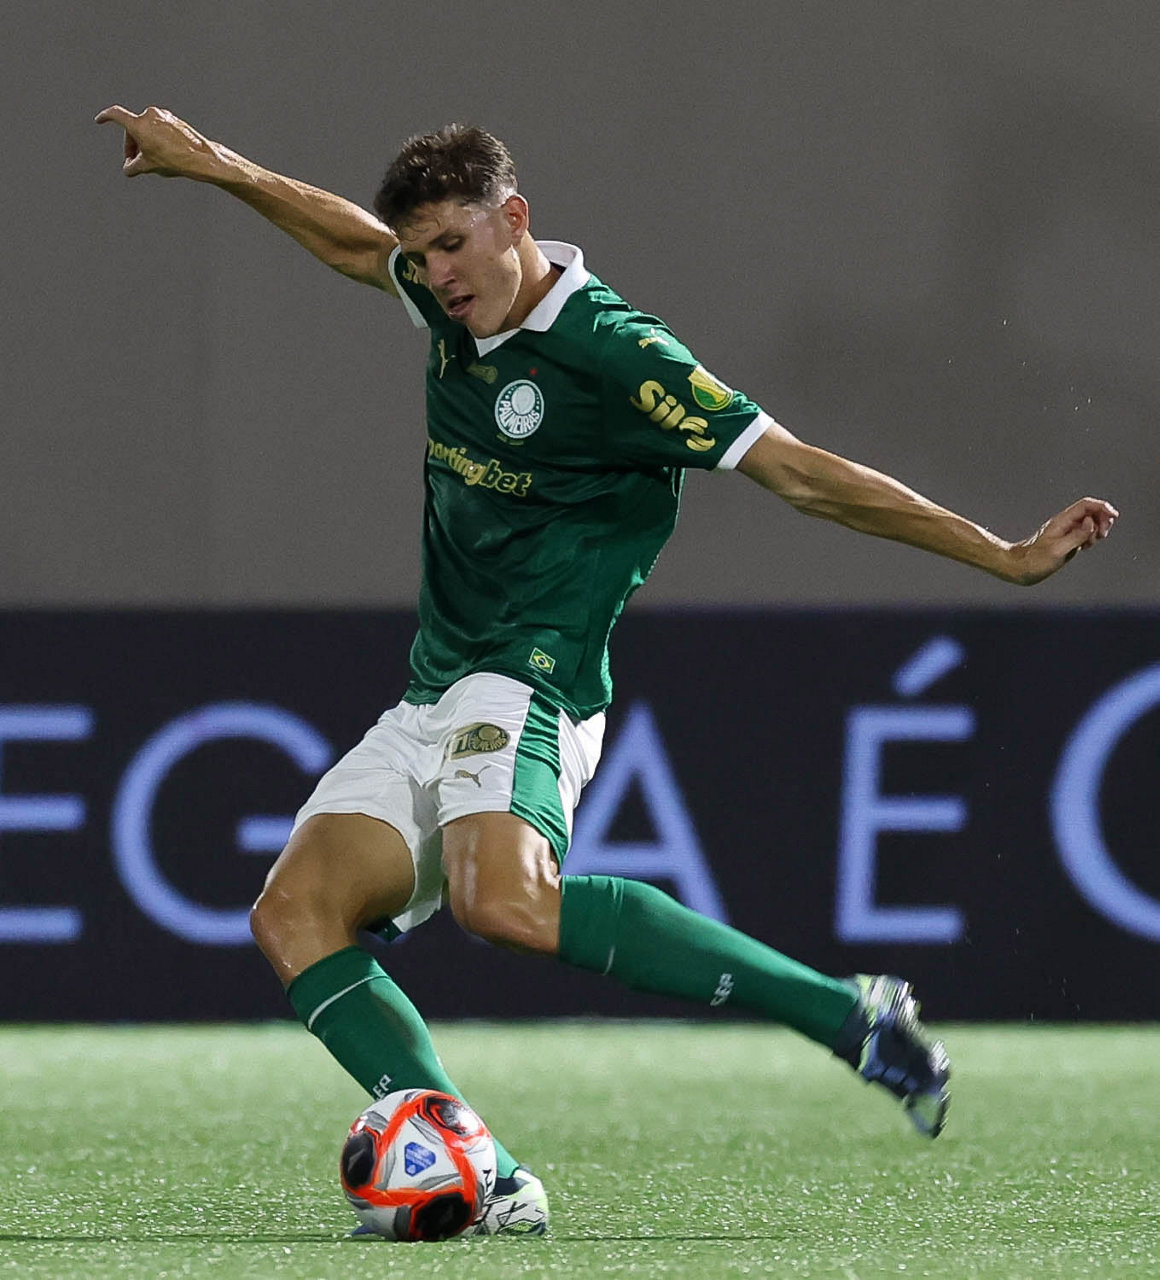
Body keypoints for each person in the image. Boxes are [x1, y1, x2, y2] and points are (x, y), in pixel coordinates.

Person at [96, 105, 1118, 1238]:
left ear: (515, 219)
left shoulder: (617, 354)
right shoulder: (447, 303)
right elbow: (348, 240)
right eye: (422, 255)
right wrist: (209, 162)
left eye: (452, 245)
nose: (435, 274)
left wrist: (999, 552)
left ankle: (844, 1013)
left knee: (503, 902)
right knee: (294, 912)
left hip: (531, 680)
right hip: (433, 686)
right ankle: (489, 1176)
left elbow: (799, 473)